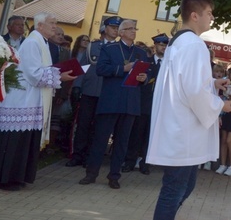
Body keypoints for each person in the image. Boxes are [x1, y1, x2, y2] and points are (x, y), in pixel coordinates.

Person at [147, 0, 231, 220]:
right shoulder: (194, 45)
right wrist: (220, 105)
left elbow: (186, 82)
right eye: (209, 13)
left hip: (177, 125)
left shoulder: (179, 42)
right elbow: (194, 91)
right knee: (174, 190)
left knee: (183, 187)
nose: (212, 17)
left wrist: (213, 83)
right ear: (195, 15)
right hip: (183, 131)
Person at [0, 12, 76, 190]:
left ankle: (16, 177)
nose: (55, 26)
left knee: (24, 141)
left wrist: (57, 73)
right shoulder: (33, 42)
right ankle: (4, 179)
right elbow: (34, 74)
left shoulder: (41, 42)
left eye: (56, 23)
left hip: (31, 100)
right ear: (39, 25)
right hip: (22, 100)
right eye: (52, 23)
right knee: (15, 140)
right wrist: (59, 76)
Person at [79, 19, 148, 189]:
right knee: (101, 139)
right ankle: (91, 173)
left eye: (135, 28)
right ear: (121, 32)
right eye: (130, 29)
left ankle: (114, 175)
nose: (133, 31)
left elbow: (145, 75)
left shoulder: (141, 53)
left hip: (130, 102)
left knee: (122, 142)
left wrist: (143, 79)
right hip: (111, 100)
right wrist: (122, 69)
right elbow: (101, 69)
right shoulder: (109, 49)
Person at [66, 17, 121, 167]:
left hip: (107, 93)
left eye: (117, 28)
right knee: (83, 124)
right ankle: (78, 155)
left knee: (99, 127)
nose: (115, 30)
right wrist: (77, 86)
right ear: (105, 29)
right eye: (112, 27)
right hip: (89, 91)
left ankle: (91, 157)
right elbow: (82, 68)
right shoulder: (92, 46)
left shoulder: (119, 48)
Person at [123, 33, 168, 175]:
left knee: (150, 136)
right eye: (161, 45)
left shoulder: (169, 64)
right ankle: (130, 161)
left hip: (159, 106)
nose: (163, 47)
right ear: (155, 46)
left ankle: (145, 163)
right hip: (143, 103)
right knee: (136, 133)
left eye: (166, 45)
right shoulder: (146, 62)